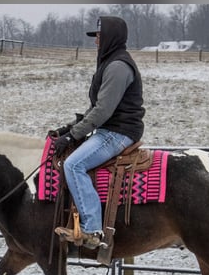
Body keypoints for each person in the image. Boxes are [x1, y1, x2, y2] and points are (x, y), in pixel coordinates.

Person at [49, 16, 145, 249]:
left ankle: (92, 229)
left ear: (111, 37)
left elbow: (103, 109)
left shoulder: (118, 66)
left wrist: (73, 136)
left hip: (117, 133)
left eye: (99, 37)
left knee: (73, 165)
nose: (96, 42)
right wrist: (70, 128)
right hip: (111, 128)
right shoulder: (111, 62)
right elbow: (97, 107)